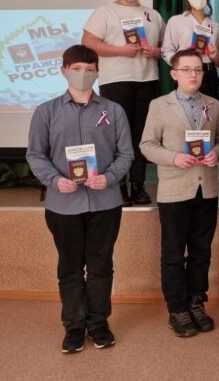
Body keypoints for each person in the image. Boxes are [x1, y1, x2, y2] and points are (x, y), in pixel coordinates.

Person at [26, 45, 133, 354]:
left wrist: (109, 177)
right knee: (70, 268)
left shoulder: (113, 111)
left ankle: (98, 323)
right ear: (64, 71)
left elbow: (126, 154)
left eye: (89, 69)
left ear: (97, 72)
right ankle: (74, 326)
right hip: (63, 206)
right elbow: (35, 154)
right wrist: (54, 180)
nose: (83, 74)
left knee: (101, 267)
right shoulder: (46, 111)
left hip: (105, 203)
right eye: (76, 69)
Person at [140, 48, 219, 338]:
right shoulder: (159, 105)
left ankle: (196, 302)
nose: (193, 74)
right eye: (187, 69)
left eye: (198, 69)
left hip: (207, 189)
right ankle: (177, 308)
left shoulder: (213, 104)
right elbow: (147, 145)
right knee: (174, 253)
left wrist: (217, 153)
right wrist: (174, 157)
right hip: (175, 190)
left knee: (201, 251)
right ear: (174, 74)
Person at [82, 0, 165, 206]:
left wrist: (156, 51)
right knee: (117, 134)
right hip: (115, 80)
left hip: (147, 80)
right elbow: (88, 42)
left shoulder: (153, 15)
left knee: (142, 134)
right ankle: (118, 184)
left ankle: (138, 184)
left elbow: (166, 47)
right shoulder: (105, 12)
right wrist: (121, 50)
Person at [161, 0, 219, 100]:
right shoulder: (176, 21)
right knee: (185, 109)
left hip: (209, 74)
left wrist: (214, 57)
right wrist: (182, 60)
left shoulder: (215, 26)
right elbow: (166, 50)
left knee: (210, 110)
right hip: (185, 72)